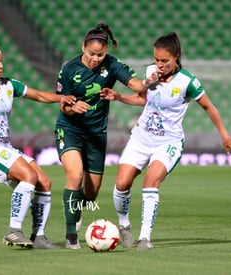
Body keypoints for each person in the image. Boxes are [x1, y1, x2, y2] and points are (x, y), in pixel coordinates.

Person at [100, 32, 231, 251]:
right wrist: (118, 97)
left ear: (177, 57)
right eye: (157, 59)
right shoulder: (149, 73)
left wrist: (223, 134)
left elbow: (208, 107)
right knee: (122, 184)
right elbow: (142, 99)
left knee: (151, 181)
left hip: (168, 143)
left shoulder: (188, 82)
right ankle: (125, 226)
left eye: (164, 60)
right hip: (140, 138)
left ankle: (145, 238)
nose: (159, 64)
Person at [0, 38, 76, 249]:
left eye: (1, 61)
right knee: (29, 176)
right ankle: (13, 231)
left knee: (44, 182)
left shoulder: (8, 85)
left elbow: (39, 95)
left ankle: (39, 236)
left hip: (5, 147)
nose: (1, 65)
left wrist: (62, 98)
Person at [55, 23, 156, 249]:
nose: (95, 58)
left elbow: (136, 85)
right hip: (70, 128)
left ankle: (77, 207)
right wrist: (73, 107)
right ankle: (71, 234)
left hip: (96, 134)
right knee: (75, 174)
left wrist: (150, 81)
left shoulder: (111, 65)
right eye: (91, 53)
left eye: (100, 54)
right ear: (83, 47)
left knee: (91, 194)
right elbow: (63, 106)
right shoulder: (69, 69)